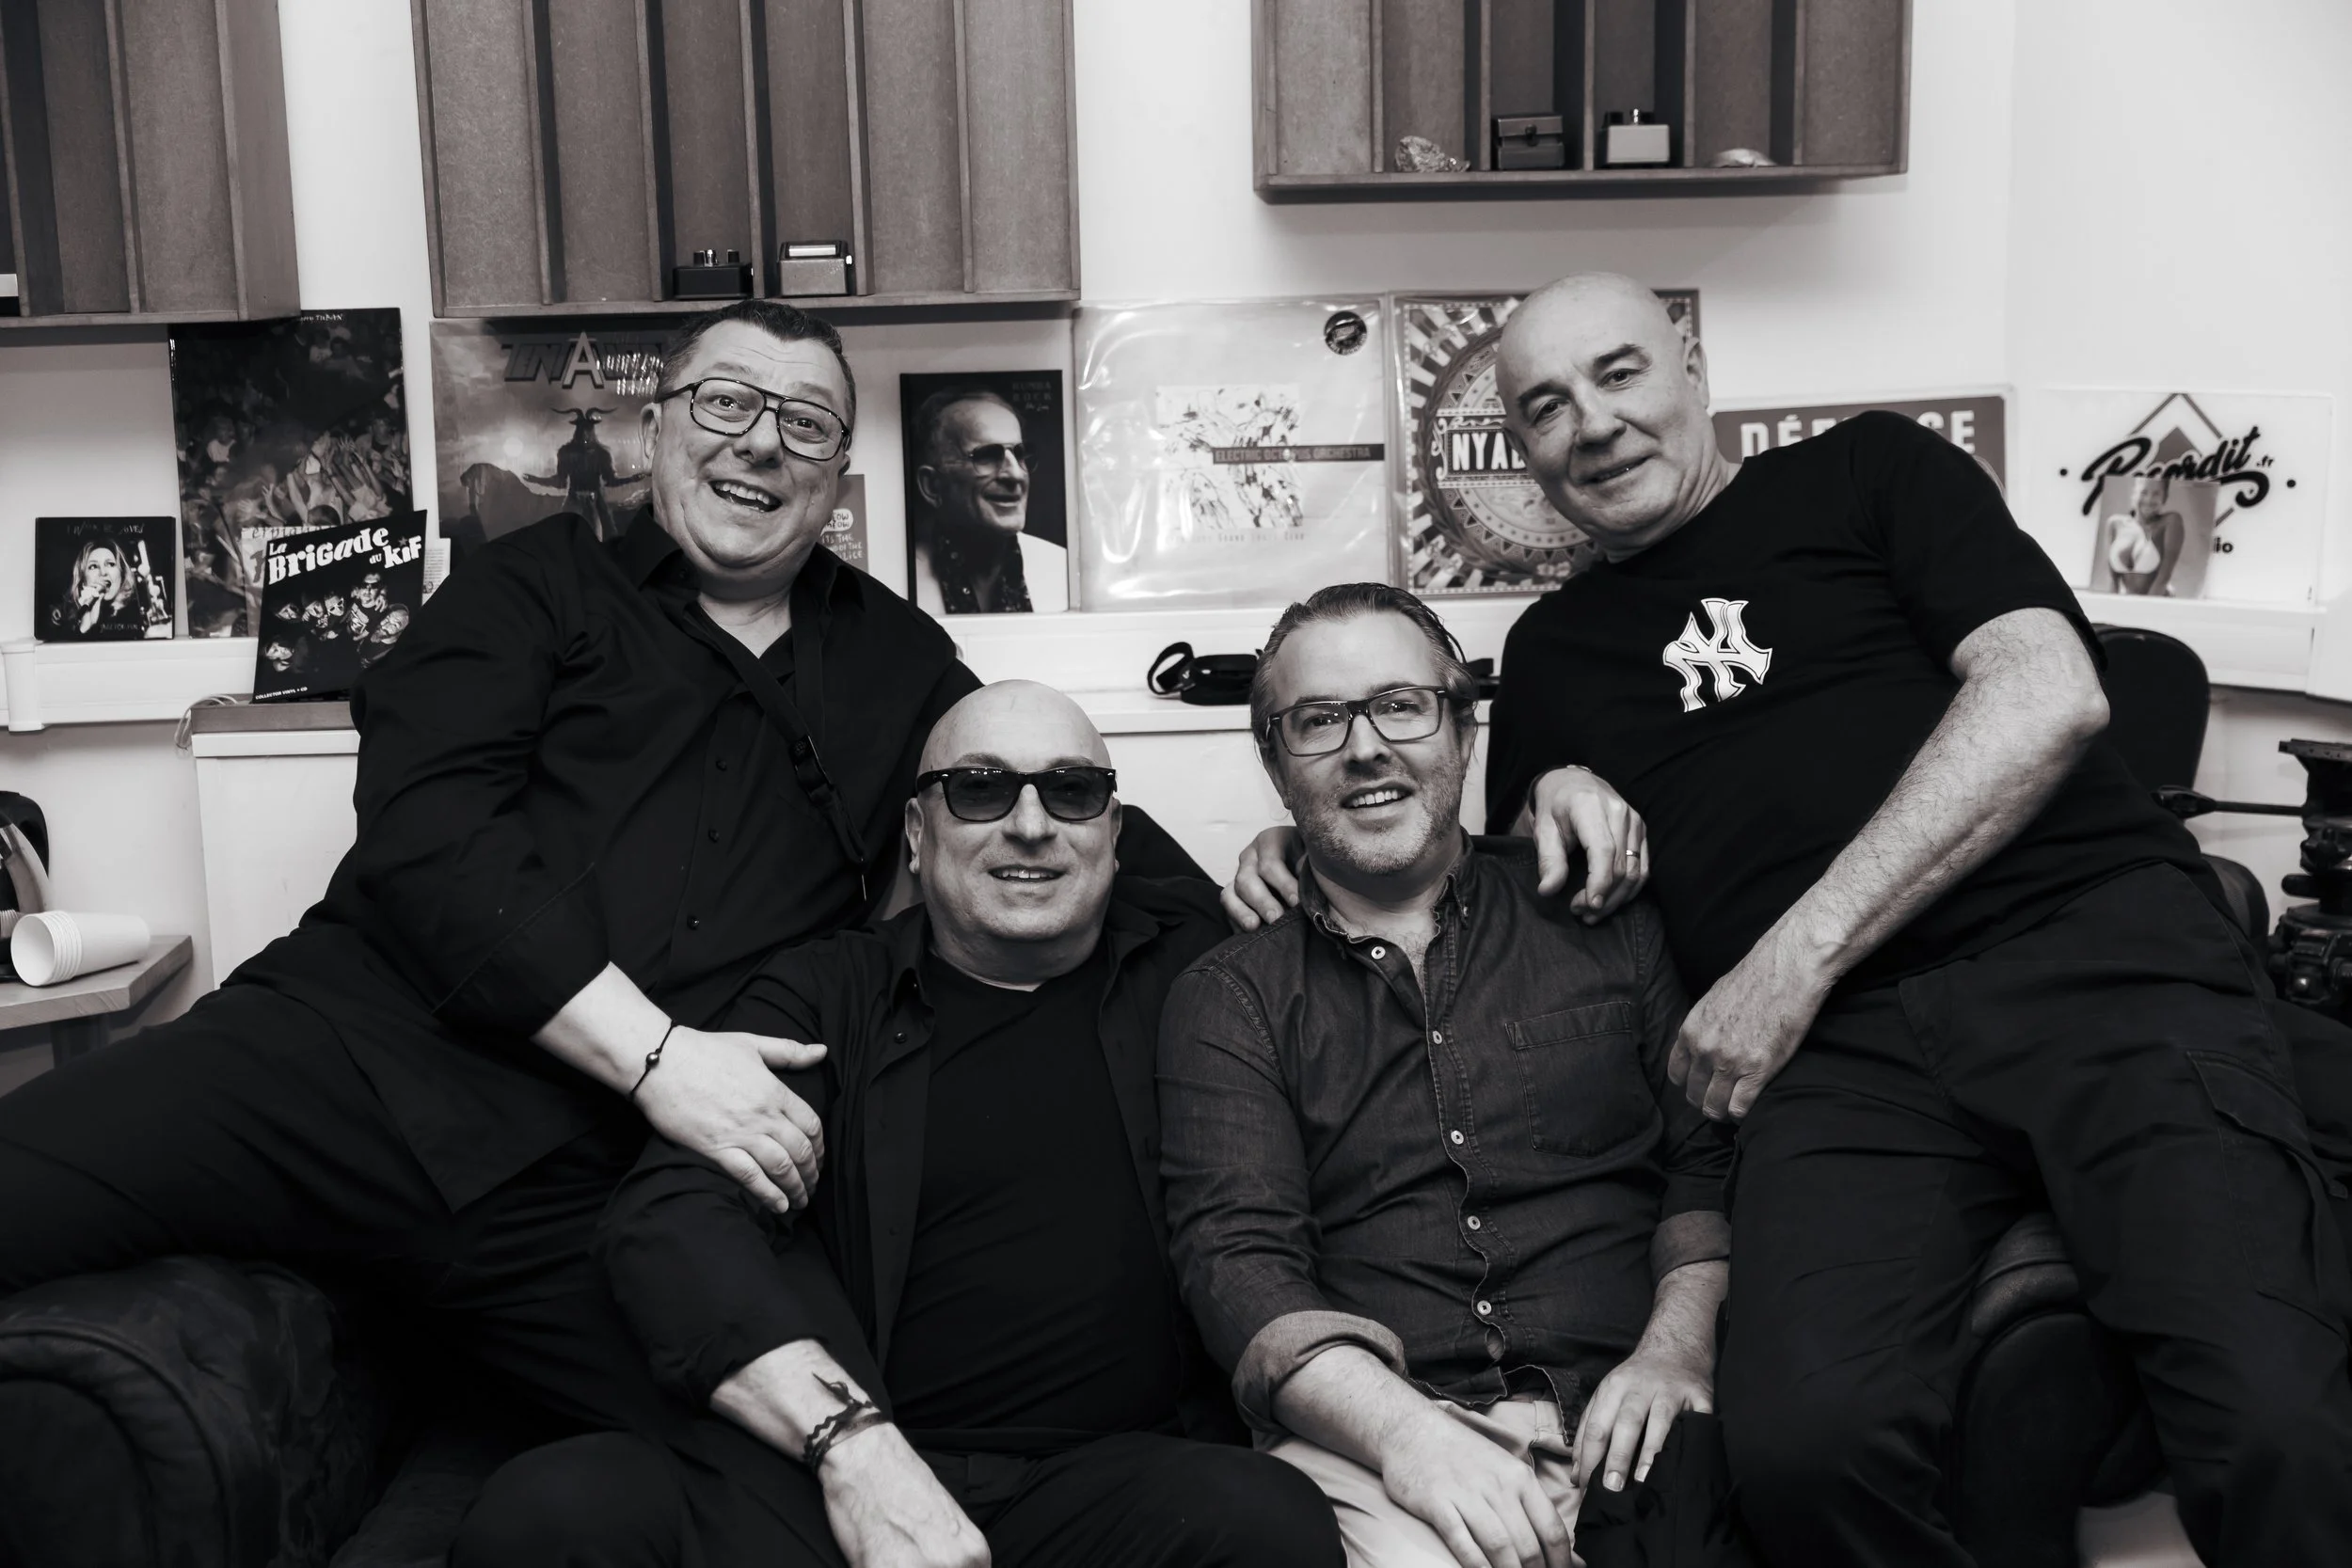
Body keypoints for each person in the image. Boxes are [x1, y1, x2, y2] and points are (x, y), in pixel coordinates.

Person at [0, 299, 988, 1550]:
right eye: (727, 401)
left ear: (836, 473)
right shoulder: (525, 584)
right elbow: (431, 837)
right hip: (340, 1069)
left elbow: (1048, 803)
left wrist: (1237, 878)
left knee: (823, 1496)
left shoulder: (905, 662)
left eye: (806, 422)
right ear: (655, 428)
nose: (760, 440)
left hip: (598, 1186)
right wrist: (659, 1056)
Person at [454, 681, 1345, 1568]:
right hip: (844, 1478)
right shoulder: (824, 993)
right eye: (979, 788)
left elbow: (1384, 882)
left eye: (1070, 790)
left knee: (1269, 1519)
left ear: (1114, 832)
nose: (1030, 824)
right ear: (918, 834)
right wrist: (853, 1448)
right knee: (548, 1514)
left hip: (1107, 1487)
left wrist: (1297, 849)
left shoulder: (1200, 962)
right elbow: (671, 1219)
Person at [1165, 584, 1746, 1568]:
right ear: (1274, 762)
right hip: (1380, 1439)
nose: (1364, 747)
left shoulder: (1605, 922)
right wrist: (1411, 1438)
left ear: (1463, 728)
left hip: (1629, 1408)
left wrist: (1675, 1350)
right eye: (1318, 720)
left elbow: (1706, 1167)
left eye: (1401, 705)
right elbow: (1238, 1262)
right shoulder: (1230, 996)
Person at [908, 386, 1068, 614]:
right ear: (932, 486)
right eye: (987, 456)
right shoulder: (899, 586)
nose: (1015, 475)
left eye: (1020, 454)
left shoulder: (1062, 570)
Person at [2107, 471, 2186, 595]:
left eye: (2156, 494)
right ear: (2134, 494)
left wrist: (2147, 605)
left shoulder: (2170, 521)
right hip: (2127, 599)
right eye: (2144, 492)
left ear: (2164, 498)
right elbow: (2113, 581)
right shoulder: (2115, 524)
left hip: (2157, 599)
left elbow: (2164, 578)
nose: (2149, 500)